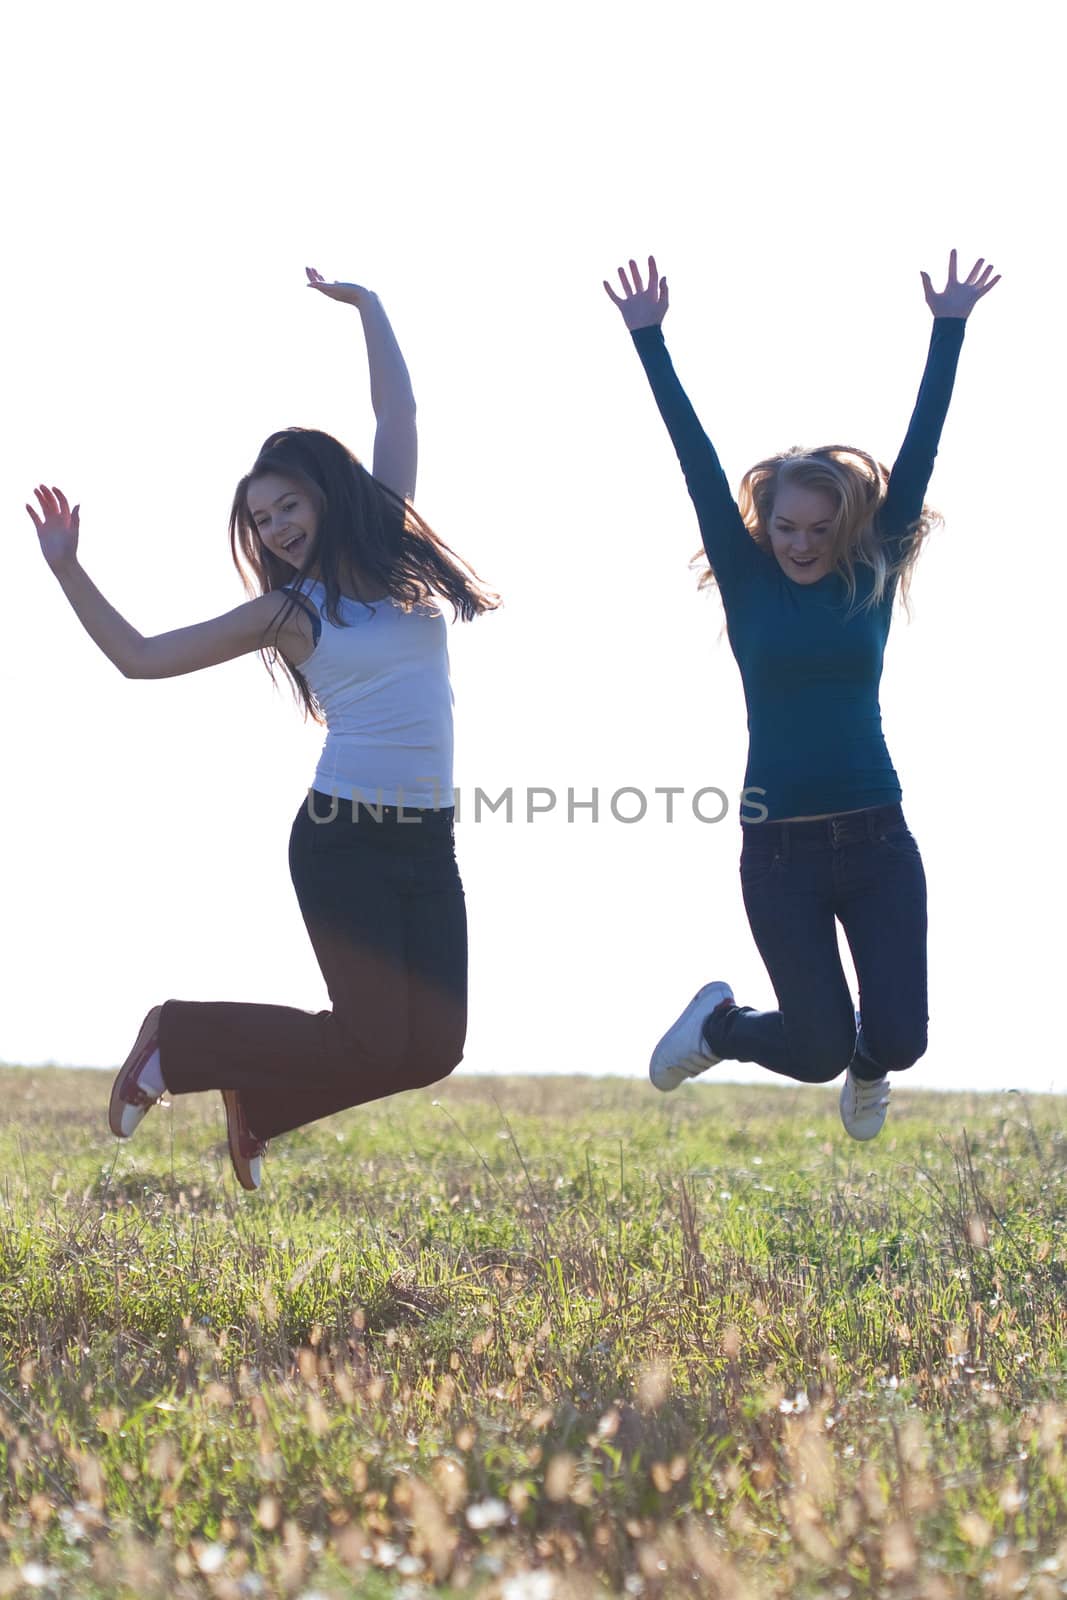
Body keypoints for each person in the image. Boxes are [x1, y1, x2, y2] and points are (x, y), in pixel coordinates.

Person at [28, 267, 498, 1190]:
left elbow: (397, 412)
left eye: (287, 506)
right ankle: (180, 1034)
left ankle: (262, 1105)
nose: (276, 528)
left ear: (325, 495)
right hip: (343, 840)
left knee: (431, 1047)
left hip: (427, 839)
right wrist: (66, 570)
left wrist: (370, 308)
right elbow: (140, 656)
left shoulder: (395, 552)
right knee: (369, 1033)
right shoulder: (293, 611)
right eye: (260, 519)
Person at [604, 250, 999, 1140]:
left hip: (877, 836)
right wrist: (649, 341)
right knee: (814, 1047)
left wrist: (949, 328)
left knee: (898, 1037)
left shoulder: (873, 564)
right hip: (778, 846)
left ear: (847, 525)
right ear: (762, 522)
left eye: (819, 528)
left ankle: (871, 1066)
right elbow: (693, 458)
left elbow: (921, 448)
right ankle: (720, 1026)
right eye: (784, 526)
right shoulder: (749, 582)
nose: (801, 543)